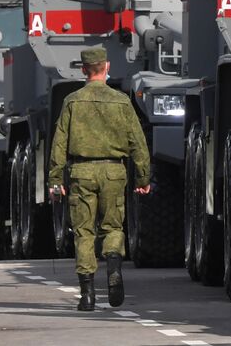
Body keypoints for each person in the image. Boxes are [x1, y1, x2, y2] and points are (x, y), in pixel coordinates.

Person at [48, 46, 151, 311]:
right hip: (114, 172)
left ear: (84, 70)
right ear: (107, 67)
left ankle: (88, 295)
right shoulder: (121, 101)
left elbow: (59, 143)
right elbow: (138, 143)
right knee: (113, 228)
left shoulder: (72, 101)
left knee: (83, 232)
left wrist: (55, 179)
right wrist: (142, 178)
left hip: (81, 172)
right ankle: (114, 267)